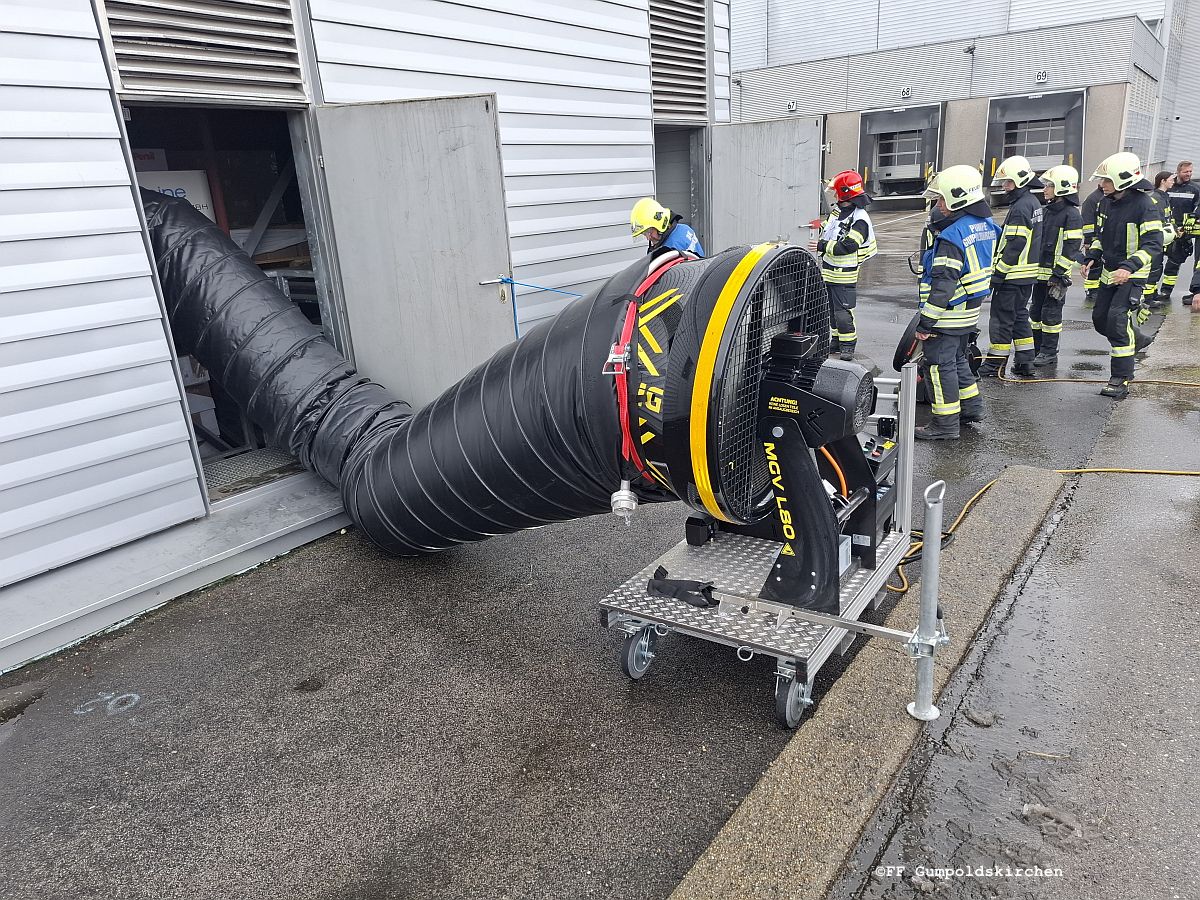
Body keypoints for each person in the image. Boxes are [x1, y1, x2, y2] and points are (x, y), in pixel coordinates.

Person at [912, 165, 1002, 441]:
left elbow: (943, 286)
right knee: (958, 361)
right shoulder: (986, 226)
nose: (938, 205)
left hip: (947, 316)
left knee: (939, 368)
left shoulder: (951, 237)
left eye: (941, 199)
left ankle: (945, 425)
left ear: (957, 198)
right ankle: (972, 409)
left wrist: (926, 322)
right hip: (968, 313)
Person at [1081, 152, 1163, 400]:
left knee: (1117, 322)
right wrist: (1091, 257)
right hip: (1110, 272)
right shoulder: (1107, 202)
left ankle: (1121, 378)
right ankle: (1136, 338)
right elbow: (1101, 236)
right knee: (1100, 320)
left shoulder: (1145, 206)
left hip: (1133, 275)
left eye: (1106, 180)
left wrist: (1129, 267)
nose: (1102, 184)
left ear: (1123, 180)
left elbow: (1153, 244)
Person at [978, 156, 1043, 377]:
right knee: (1019, 318)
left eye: (1008, 183)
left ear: (1019, 181)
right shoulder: (1032, 203)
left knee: (1001, 321)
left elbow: (1015, 245)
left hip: (1012, 277)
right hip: (1026, 276)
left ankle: (994, 365)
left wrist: (998, 274)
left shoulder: (1021, 207)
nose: (1005, 187)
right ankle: (1026, 362)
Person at [810, 170, 878, 360]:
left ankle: (848, 345)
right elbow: (829, 227)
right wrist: (815, 226)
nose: (833, 195)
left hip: (844, 275)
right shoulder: (839, 210)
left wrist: (821, 245)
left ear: (845, 193)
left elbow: (848, 246)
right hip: (830, 271)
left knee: (843, 312)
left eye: (836, 191)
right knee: (832, 311)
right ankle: (837, 341)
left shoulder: (860, 219)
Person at [1030, 165, 1085, 366]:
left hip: (1056, 277)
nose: (1045, 190)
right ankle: (1037, 349)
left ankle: (1049, 352)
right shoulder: (1046, 211)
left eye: (1049, 186)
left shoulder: (1071, 215)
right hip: (1038, 274)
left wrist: (1059, 273)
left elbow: (1071, 247)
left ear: (1062, 188)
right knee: (1035, 313)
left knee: (1050, 315)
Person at [1162, 160, 1200, 305]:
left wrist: (1186, 228)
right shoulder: (1169, 186)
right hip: (1168, 229)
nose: (1189, 174)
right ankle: (1164, 291)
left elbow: (1197, 210)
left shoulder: (1195, 189)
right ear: (1178, 172)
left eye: (1190, 171)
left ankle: (1195, 292)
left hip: (1186, 231)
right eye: (1186, 172)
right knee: (1161, 262)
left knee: (1182, 261)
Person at [1144, 171, 1178, 307]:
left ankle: (1152, 293)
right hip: (1156, 238)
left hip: (1163, 238)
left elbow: (1168, 217)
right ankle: (1147, 298)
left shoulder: (1164, 197)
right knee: (1154, 268)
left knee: (1158, 266)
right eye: (1171, 180)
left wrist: (1174, 228)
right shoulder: (1156, 198)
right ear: (1163, 181)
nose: (1173, 182)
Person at [629, 198, 704, 259]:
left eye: (649, 232)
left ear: (660, 225)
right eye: (644, 234)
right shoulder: (683, 228)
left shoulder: (670, 251)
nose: (648, 238)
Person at [1080, 184, 1104, 304]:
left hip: (1101, 237)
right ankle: (1091, 290)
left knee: (1100, 267)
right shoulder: (1092, 199)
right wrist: (1088, 240)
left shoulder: (1105, 197)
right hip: (1093, 239)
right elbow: (1087, 221)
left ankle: (1096, 289)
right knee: (1094, 266)